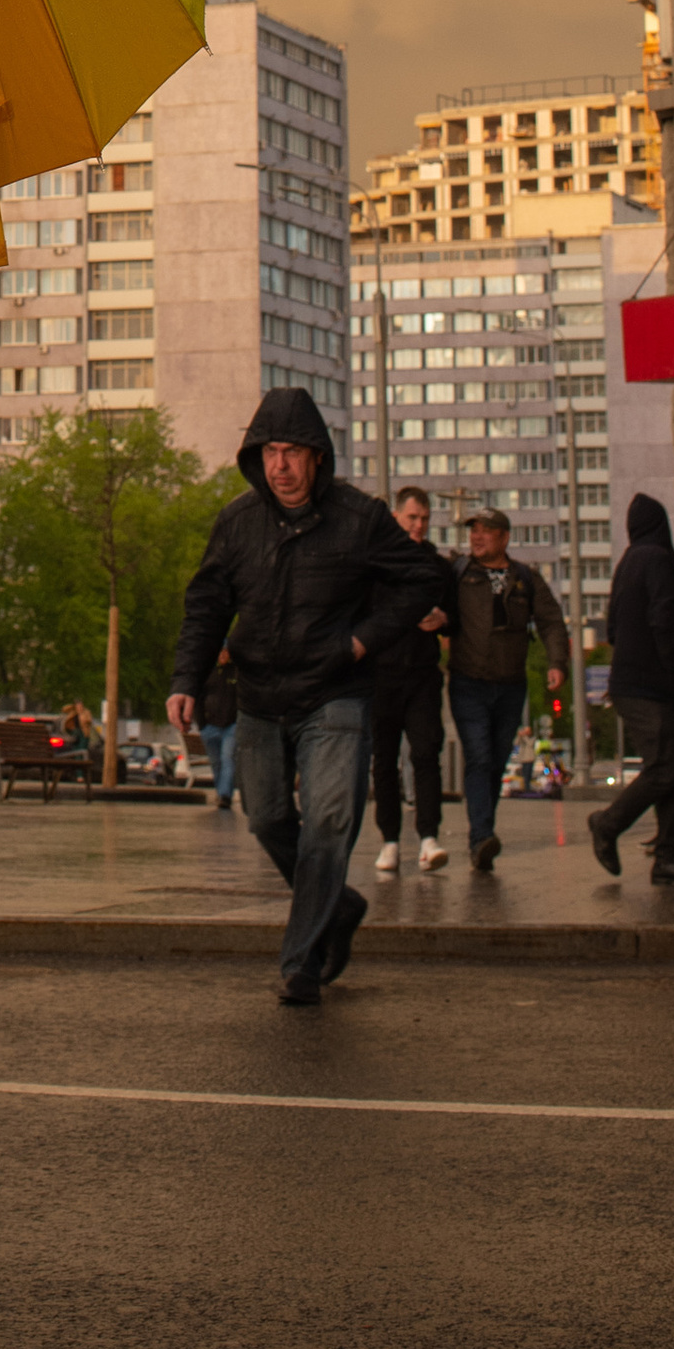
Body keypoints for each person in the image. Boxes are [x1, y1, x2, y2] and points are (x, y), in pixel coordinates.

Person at [165, 387, 435, 1006]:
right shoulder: (237, 522)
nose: (279, 466)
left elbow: (425, 577)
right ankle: (337, 907)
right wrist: (186, 681)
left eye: (292, 452)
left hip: (335, 692)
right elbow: (207, 606)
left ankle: (302, 963)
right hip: (259, 694)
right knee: (266, 818)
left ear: (317, 457)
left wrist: (364, 642)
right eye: (269, 452)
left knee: (331, 821)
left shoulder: (359, 517)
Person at [589, 492, 674, 886]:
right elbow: (664, 617)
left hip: (644, 686)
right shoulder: (656, 560)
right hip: (650, 687)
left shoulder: (628, 563)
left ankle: (667, 857)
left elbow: (614, 626)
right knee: (665, 770)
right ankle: (607, 825)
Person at [448, 509, 569, 873]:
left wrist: (556, 663)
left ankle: (483, 832)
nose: (477, 537)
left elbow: (551, 622)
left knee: (497, 759)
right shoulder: (458, 574)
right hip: (468, 681)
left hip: (511, 686)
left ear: (504, 537)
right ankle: (481, 837)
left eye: (485, 531)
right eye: (473, 532)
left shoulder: (525, 579)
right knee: (480, 756)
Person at [367, 485, 454, 875]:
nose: (419, 525)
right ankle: (389, 840)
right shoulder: (375, 565)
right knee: (383, 761)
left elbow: (456, 611)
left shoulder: (437, 566)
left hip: (421, 675)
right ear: (396, 518)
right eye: (412, 518)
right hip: (380, 675)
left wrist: (445, 619)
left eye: (424, 519)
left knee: (425, 754)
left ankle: (428, 838)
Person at [199, 656, 238, 815]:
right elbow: (199, 698)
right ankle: (221, 790)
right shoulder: (209, 673)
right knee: (216, 762)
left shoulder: (236, 673)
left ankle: (225, 795)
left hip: (231, 725)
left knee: (227, 758)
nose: (223, 655)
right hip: (210, 725)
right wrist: (201, 723)